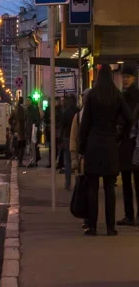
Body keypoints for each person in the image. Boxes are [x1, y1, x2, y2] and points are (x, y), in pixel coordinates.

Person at [79, 64, 133, 236]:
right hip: (110, 145)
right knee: (109, 187)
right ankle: (110, 227)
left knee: (93, 187)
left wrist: (81, 148)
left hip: (93, 146)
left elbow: (85, 124)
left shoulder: (93, 95)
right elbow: (130, 119)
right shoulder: (116, 95)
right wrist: (119, 135)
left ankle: (93, 226)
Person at [117, 64, 139, 225]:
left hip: (134, 144)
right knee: (126, 182)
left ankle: (133, 215)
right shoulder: (121, 97)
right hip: (126, 145)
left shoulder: (135, 97)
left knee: (136, 182)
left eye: (128, 77)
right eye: (124, 77)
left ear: (134, 78)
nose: (125, 80)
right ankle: (129, 215)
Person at [70, 88, 91, 229]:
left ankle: (89, 218)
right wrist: (73, 158)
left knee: (90, 190)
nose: (85, 100)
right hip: (81, 159)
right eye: (84, 98)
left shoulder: (95, 115)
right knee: (83, 190)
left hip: (92, 158)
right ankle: (86, 217)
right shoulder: (78, 117)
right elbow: (73, 138)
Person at [60, 94, 80, 190]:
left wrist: (61, 139)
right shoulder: (78, 111)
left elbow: (62, 126)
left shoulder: (66, 112)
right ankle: (77, 183)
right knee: (76, 161)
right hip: (77, 139)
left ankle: (67, 184)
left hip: (67, 138)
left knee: (67, 161)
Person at [11, 97, 26, 167]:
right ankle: (20, 161)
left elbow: (10, 120)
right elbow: (24, 120)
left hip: (16, 131)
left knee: (17, 146)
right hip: (21, 131)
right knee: (21, 147)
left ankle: (17, 159)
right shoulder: (22, 109)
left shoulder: (15, 109)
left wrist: (13, 125)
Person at [25, 96, 40, 168]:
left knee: (33, 146)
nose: (27, 102)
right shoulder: (28, 109)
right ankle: (33, 160)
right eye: (26, 101)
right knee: (31, 146)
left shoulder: (33, 109)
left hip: (33, 130)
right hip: (29, 130)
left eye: (28, 101)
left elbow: (37, 120)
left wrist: (34, 129)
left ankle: (34, 161)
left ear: (31, 101)